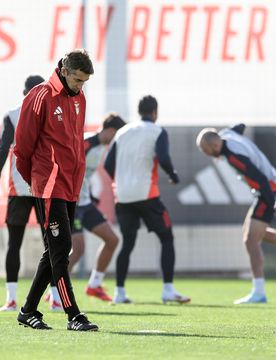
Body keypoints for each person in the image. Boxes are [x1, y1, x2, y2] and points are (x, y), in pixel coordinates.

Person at [14, 49, 98, 331]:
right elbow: (23, 146)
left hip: (71, 185)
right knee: (62, 249)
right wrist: (35, 181)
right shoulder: (40, 96)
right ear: (64, 70)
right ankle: (73, 315)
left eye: (84, 81)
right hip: (48, 184)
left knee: (54, 249)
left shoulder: (80, 98)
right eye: (77, 79)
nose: (80, 86)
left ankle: (27, 311)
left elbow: (74, 144)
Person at [197, 124, 276, 304]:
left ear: (214, 146)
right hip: (267, 188)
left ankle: (259, 292)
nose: (209, 156)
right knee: (250, 232)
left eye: (207, 152)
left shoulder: (233, 156)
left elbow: (260, 178)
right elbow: (240, 126)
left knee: (251, 240)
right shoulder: (226, 135)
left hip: (268, 189)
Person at [0, 75, 65, 312]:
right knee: (52, 243)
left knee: (15, 243)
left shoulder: (13, 114)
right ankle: (55, 297)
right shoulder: (52, 110)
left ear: (24, 93)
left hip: (20, 187)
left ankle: (11, 298)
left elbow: (3, 150)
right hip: (44, 187)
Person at [104, 95, 190, 305]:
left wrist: (123, 182)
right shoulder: (157, 131)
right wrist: (173, 174)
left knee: (128, 243)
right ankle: (168, 289)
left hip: (122, 196)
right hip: (146, 194)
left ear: (139, 111)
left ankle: (120, 292)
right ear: (155, 112)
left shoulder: (122, 132)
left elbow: (108, 164)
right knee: (166, 237)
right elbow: (163, 156)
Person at [68, 113, 126, 302]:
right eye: (117, 135)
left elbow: (84, 175)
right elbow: (67, 168)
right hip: (73, 204)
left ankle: (94, 285)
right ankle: (55, 288)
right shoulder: (85, 143)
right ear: (110, 131)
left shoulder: (102, 147)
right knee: (77, 249)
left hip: (85, 203)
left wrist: (90, 195)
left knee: (112, 239)